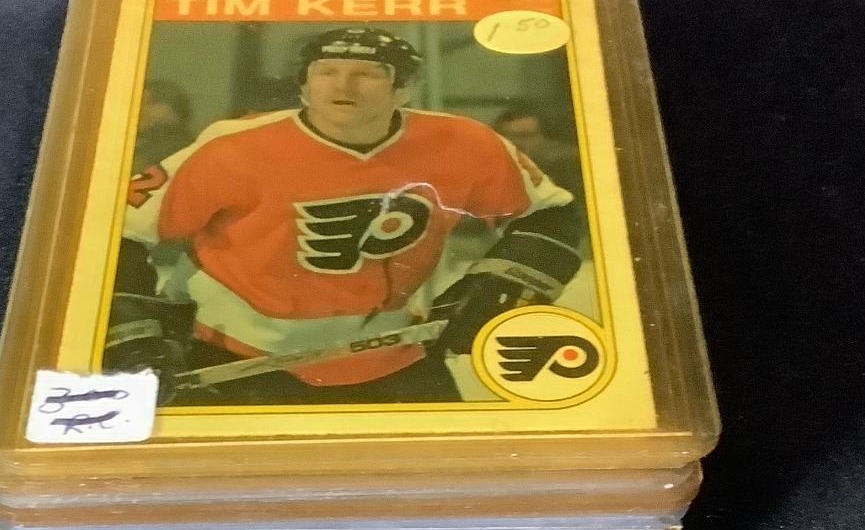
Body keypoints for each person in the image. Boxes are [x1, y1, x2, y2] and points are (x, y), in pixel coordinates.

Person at [110, 26, 582, 405]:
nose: (342, 85)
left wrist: (503, 284)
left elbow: (550, 213)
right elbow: (114, 231)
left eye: (367, 73)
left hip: (395, 352)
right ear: (303, 86)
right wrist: (131, 331)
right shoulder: (231, 147)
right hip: (230, 356)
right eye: (326, 71)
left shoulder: (465, 143)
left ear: (405, 88)